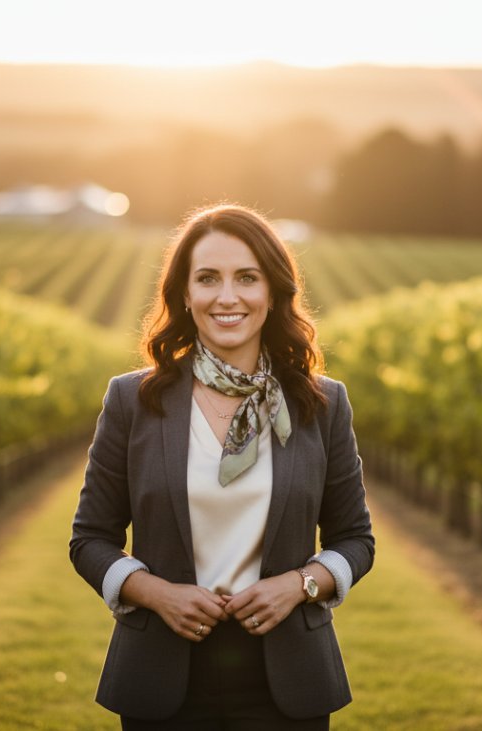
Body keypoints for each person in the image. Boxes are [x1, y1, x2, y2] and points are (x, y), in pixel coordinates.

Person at [70, 203, 375, 729]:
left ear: (273, 292)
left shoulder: (321, 403)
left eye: (247, 278)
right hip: (160, 677)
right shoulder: (132, 400)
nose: (227, 296)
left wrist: (300, 585)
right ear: (185, 295)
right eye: (208, 278)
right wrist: (157, 594)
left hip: (289, 683)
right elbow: (89, 540)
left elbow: (356, 540)